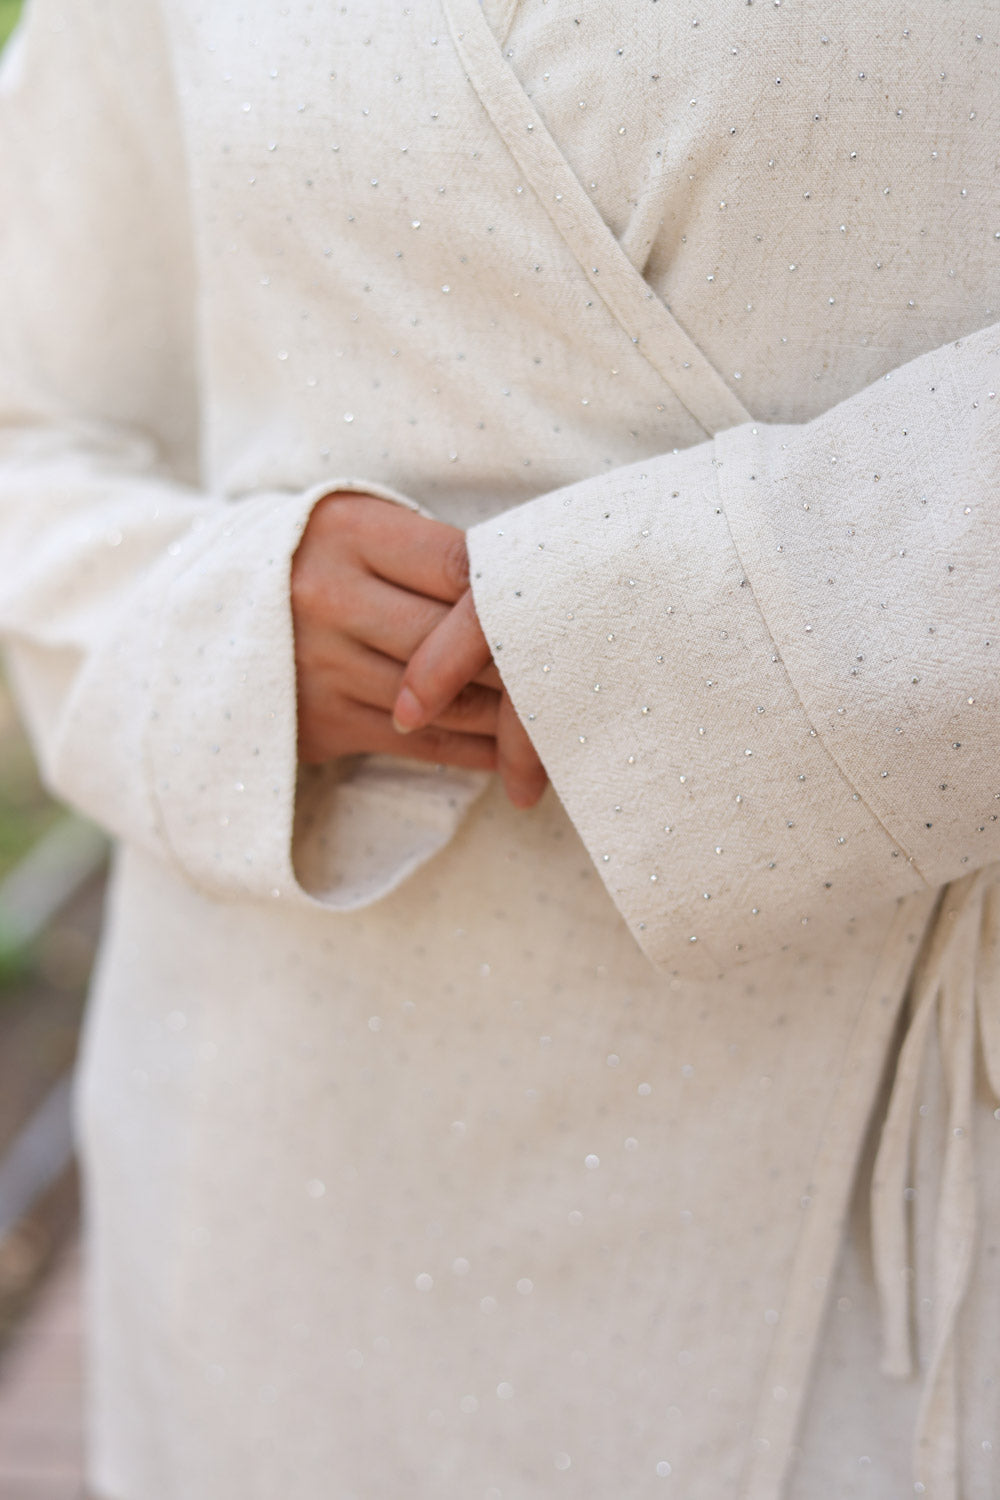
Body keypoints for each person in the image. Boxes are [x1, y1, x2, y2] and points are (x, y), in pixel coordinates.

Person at [1, 0, 999, 1496]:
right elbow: (30, 417)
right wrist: (228, 621)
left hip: (890, 1199)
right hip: (278, 1161)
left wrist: (697, 622)